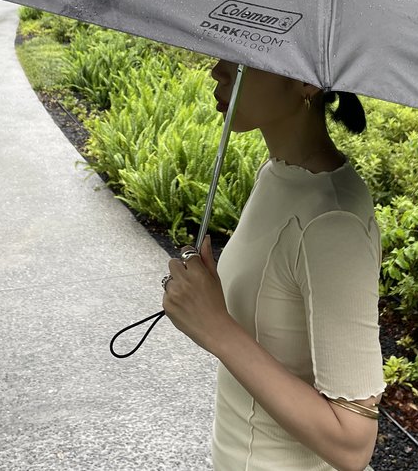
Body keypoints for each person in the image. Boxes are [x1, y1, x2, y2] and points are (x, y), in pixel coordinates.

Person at [161, 59, 384, 471]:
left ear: (305, 81)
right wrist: (207, 302)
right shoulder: (278, 174)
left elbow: (353, 444)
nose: (216, 70)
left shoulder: (334, 222)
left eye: (240, 57)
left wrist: (216, 326)